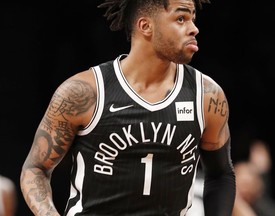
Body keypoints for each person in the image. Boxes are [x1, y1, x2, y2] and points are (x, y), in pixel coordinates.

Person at [20, 0, 236, 215]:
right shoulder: (84, 92)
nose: (194, 28)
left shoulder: (207, 96)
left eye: (192, 19)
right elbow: (35, 168)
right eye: (181, 18)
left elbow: (221, 174)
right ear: (145, 26)